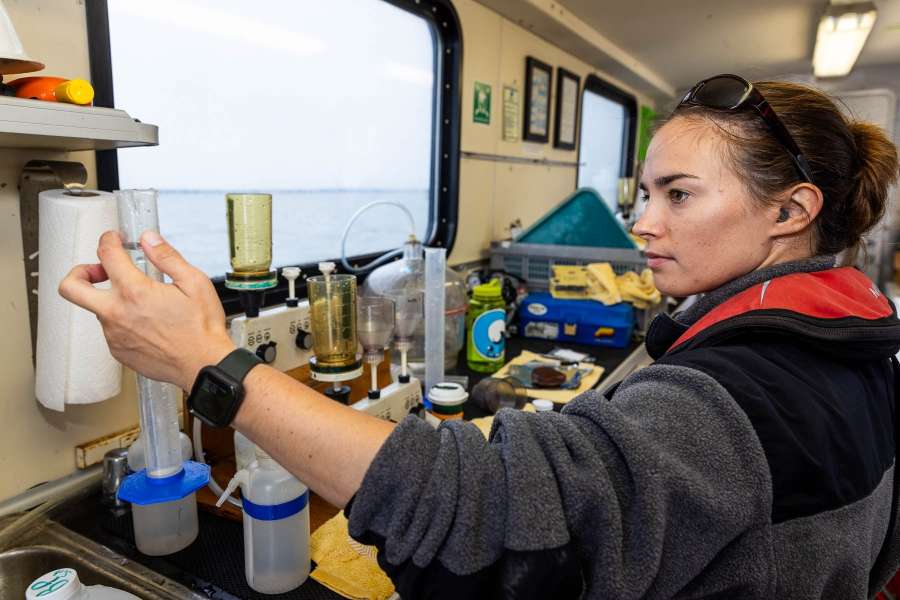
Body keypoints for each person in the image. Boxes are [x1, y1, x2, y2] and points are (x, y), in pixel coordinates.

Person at [60, 75, 900, 599]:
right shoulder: (850, 339)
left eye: (678, 195)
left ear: (791, 212)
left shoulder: (747, 394)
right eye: (645, 192)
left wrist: (210, 362)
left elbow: (493, 519)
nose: (642, 224)